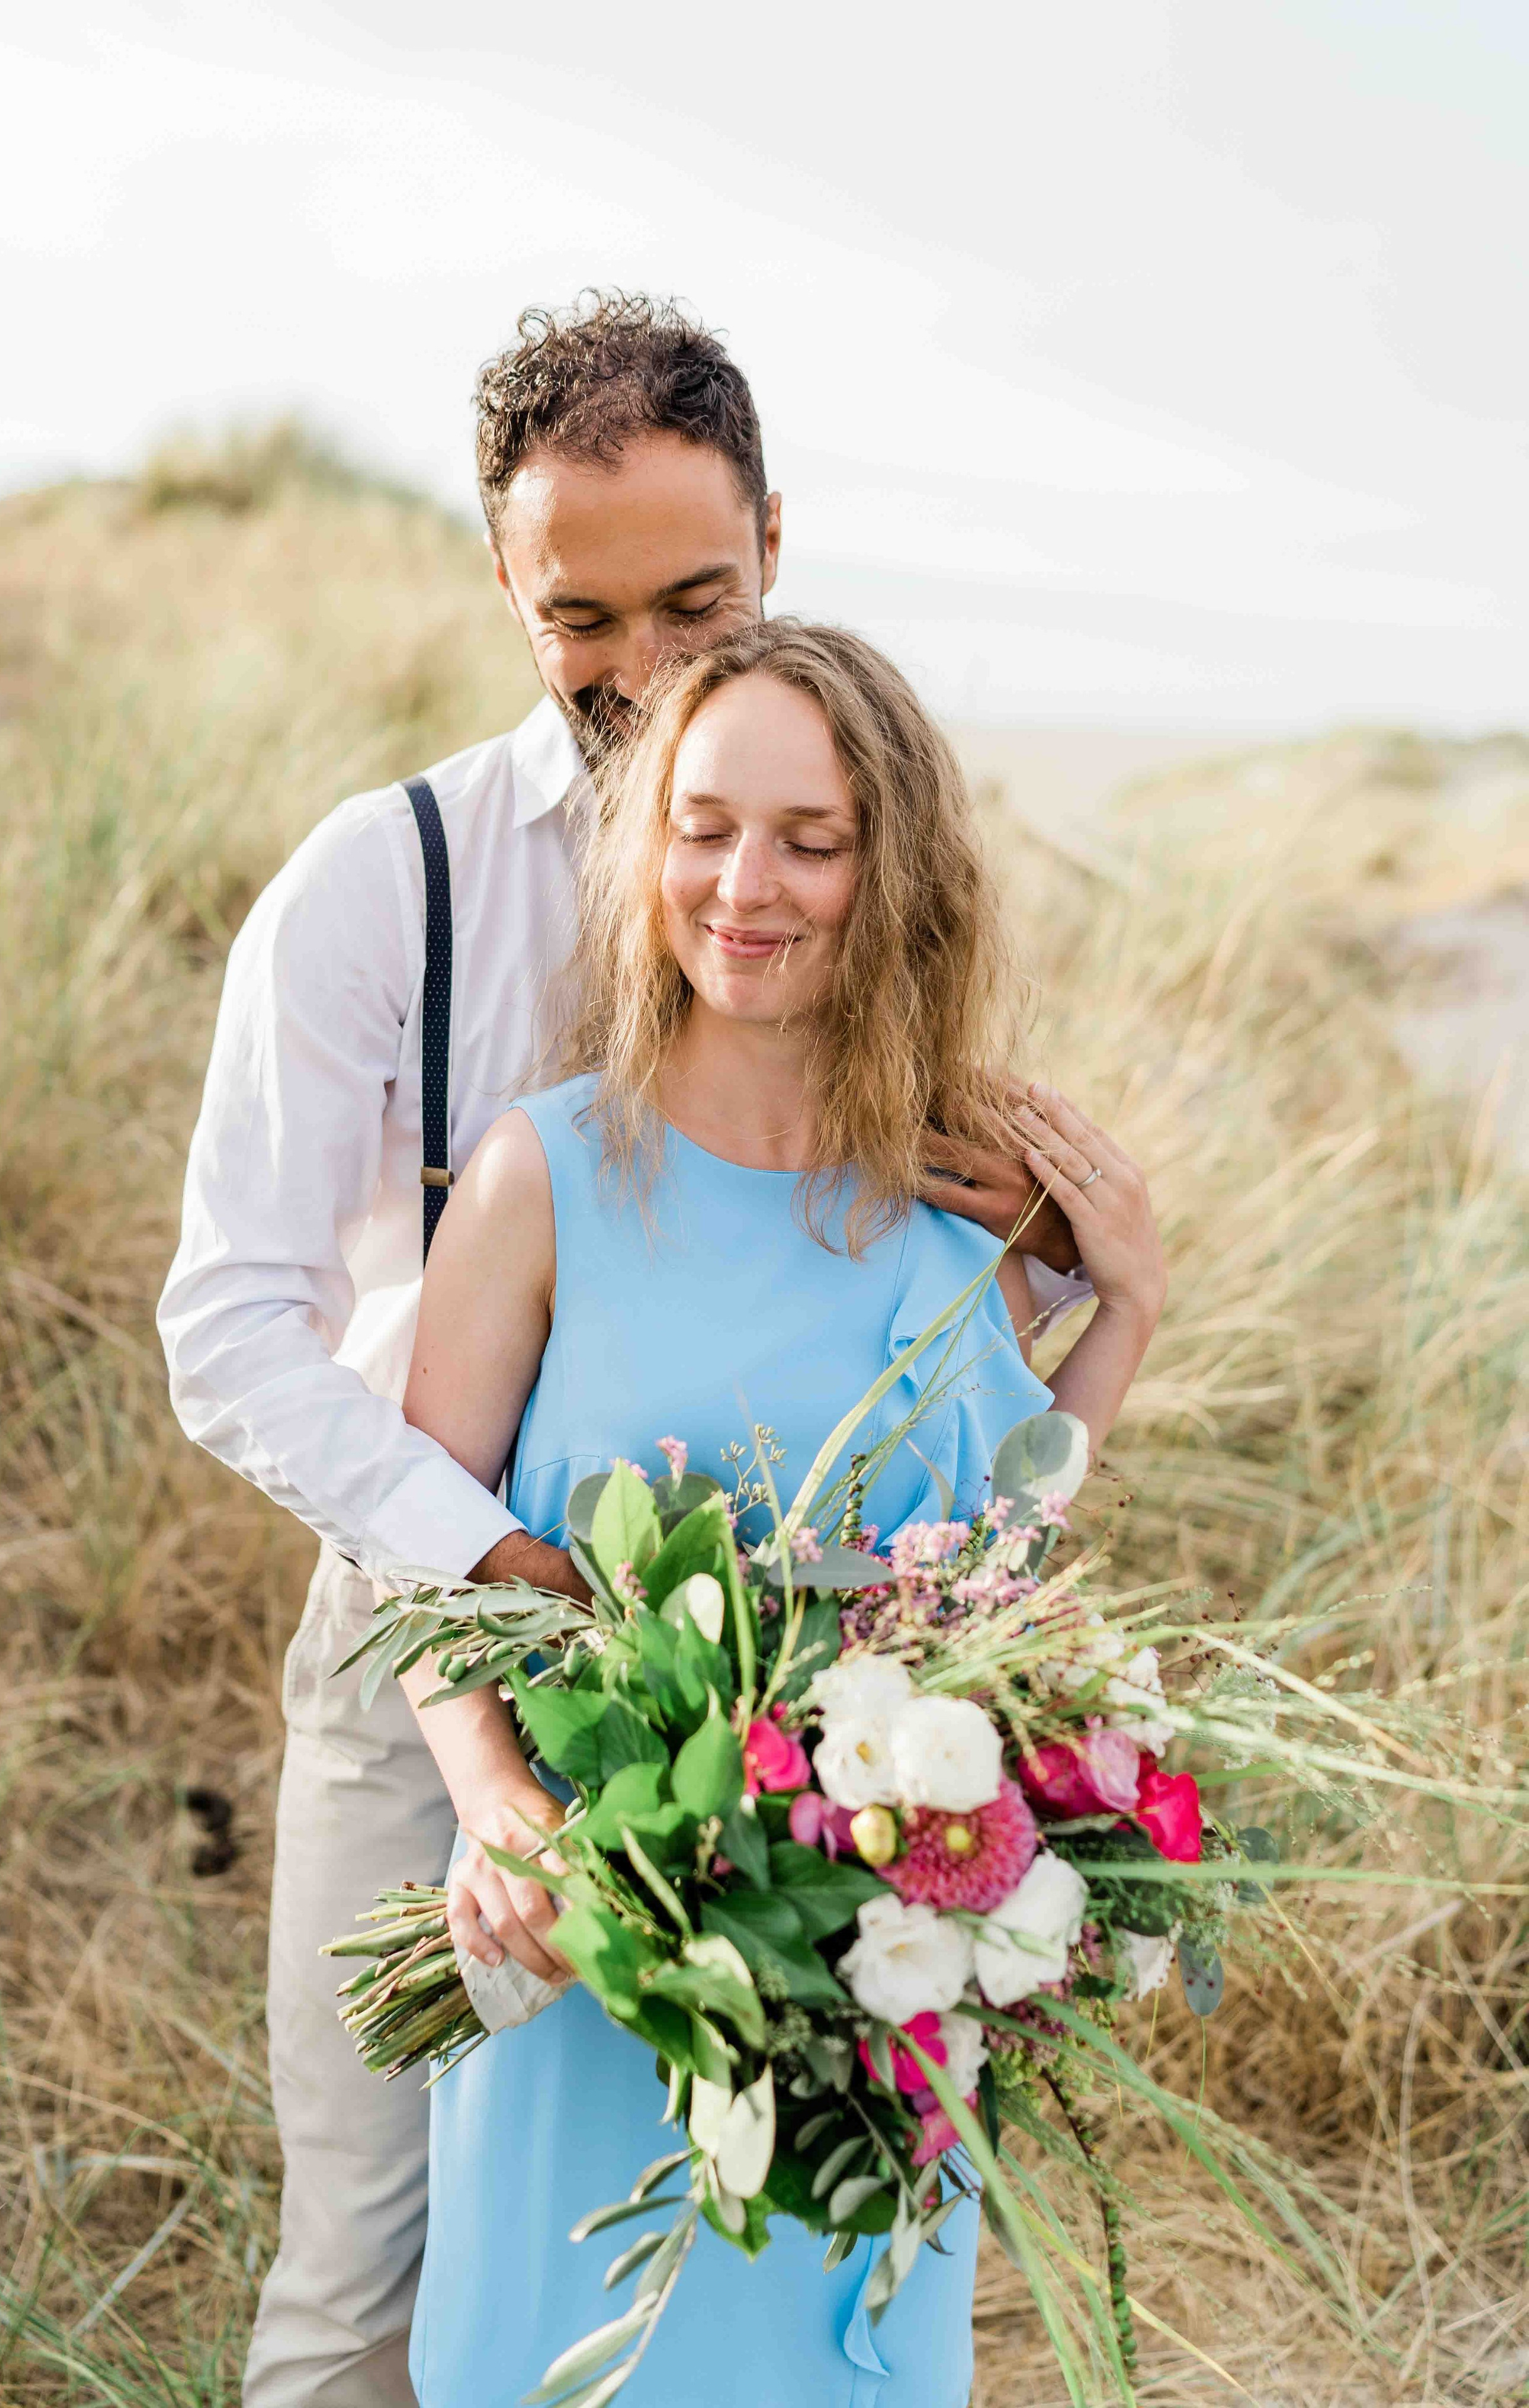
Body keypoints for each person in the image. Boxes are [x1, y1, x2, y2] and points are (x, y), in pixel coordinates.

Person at [158, 294, 1094, 2408]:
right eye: (584, 617)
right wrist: (485, 1565)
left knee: (730, 2225)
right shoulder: (378, 885)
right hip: (429, 1633)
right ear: (508, 582)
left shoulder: (840, 863)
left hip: (782, 1681)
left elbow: (923, 1323)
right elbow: (225, 1324)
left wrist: (1079, 1272)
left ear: (774, 544)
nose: (651, 671)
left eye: (700, 603)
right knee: (370, 2264)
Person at [397, 618, 1165, 2407]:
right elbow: (414, 1550)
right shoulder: (542, 1171)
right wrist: (497, 1800)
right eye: (705, 828)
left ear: (892, 874)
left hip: (864, 1976)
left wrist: (1122, 1311)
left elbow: (992, 1591)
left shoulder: (957, 1212)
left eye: (811, 842)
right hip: (584, 1928)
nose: (746, 889)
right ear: (646, 846)